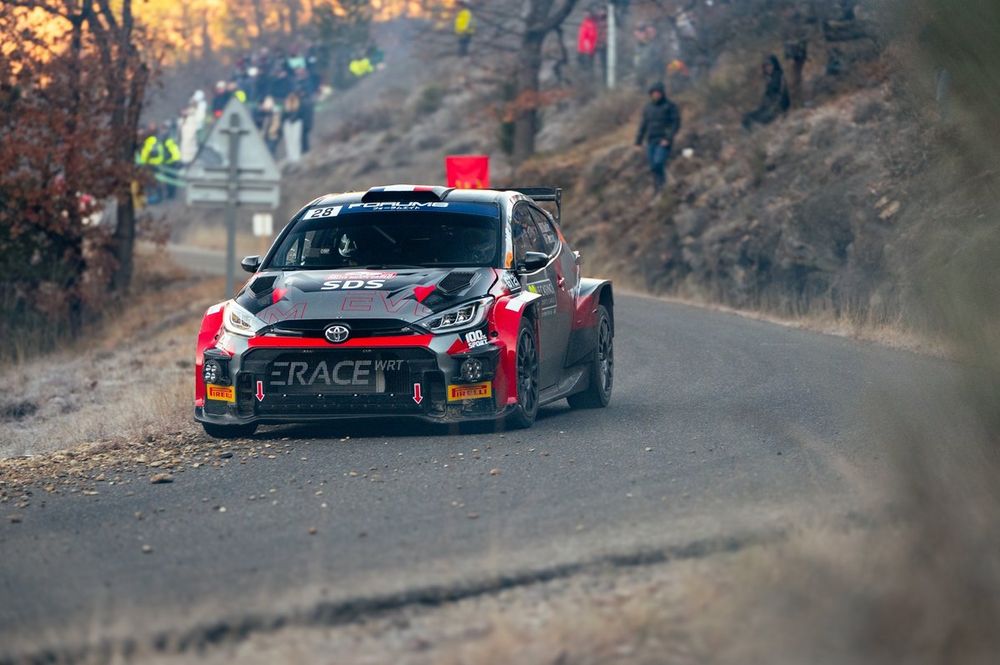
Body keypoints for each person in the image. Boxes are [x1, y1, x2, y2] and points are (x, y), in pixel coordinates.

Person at [634, 82, 681, 193]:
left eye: (658, 93)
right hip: (651, 140)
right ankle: (658, 189)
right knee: (653, 167)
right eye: (653, 93)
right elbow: (643, 125)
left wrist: (668, 138)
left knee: (658, 162)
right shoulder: (648, 108)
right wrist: (638, 142)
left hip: (663, 141)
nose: (656, 95)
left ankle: (666, 183)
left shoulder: (670, 106)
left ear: (662, 93)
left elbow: (676, 124)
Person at [742, 55, 790, 130]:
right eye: (765, 66)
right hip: (767, 108)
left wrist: (775, 109)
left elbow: (782, 96)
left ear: (774, 65)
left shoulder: (779, 76)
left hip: (777, 109)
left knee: (755, 120)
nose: (768, 68)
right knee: (747, 117)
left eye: (769, 65)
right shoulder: (769, 79)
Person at [577, 12, 598, 77]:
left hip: (587, 50)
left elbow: (590, 36)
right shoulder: (584, 23)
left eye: (587, 13)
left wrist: (588, 47)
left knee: (588, 66)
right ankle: (583, 79)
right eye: (585, 13)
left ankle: (588, 80)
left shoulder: (591, 24)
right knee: (582, 65)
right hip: (581, 49)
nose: (586, 15)